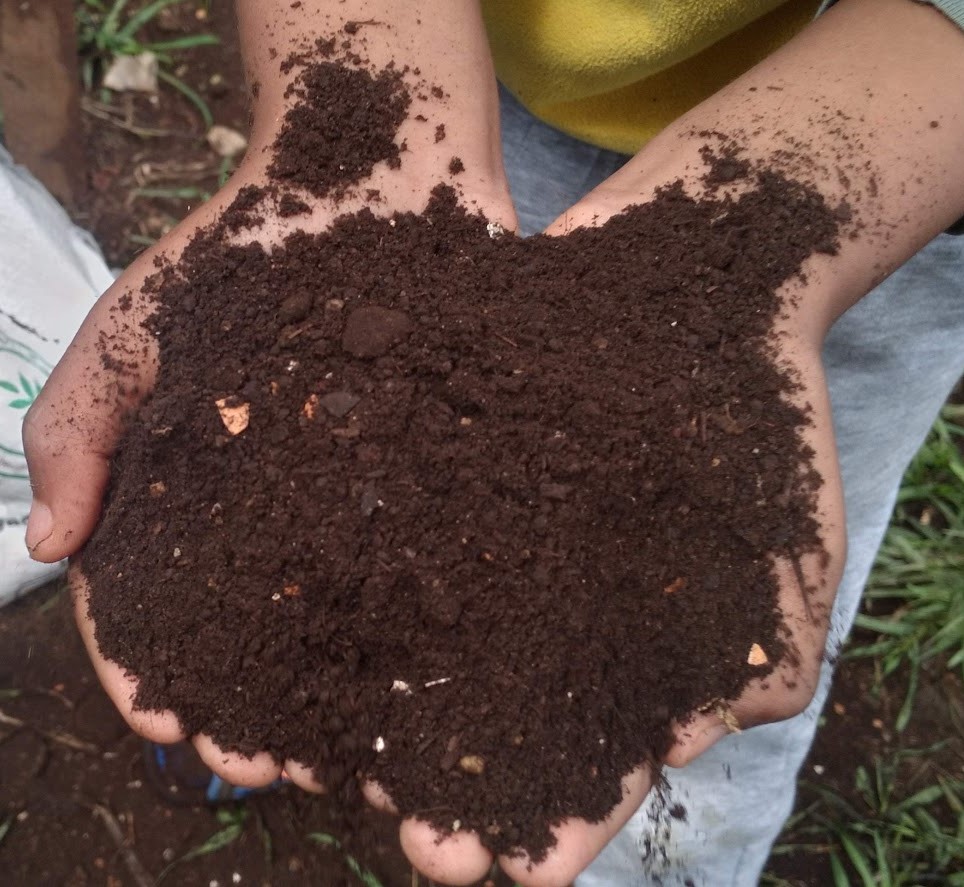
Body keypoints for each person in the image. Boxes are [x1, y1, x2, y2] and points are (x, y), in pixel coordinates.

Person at [22, 1, 964, 884]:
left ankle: (676, 854)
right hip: (458, 60)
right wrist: (356, 87)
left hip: (869, 176)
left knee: (729, 675)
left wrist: (771, 219)